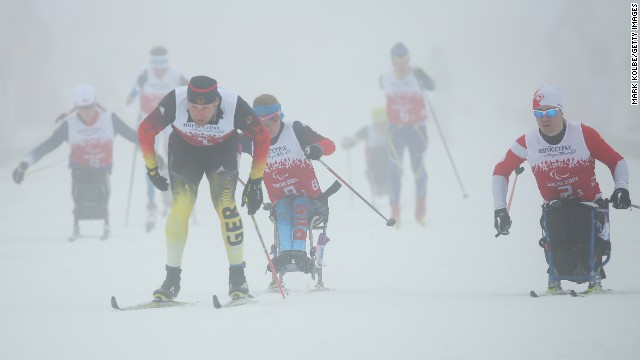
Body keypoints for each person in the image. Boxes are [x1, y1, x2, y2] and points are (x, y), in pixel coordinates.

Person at [138, 75, 269, 302]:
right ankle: (171, 280)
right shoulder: (175, 100)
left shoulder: (233, 104)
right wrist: (151, 168)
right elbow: (145, 131)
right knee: (181, 206)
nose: (199, 115)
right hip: (185, 151)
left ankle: (238, 278)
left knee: (226, 206)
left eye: (205, 108)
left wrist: (255, 181)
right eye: (193, 108)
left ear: (217, 102)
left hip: (222, 151)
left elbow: (262, 138)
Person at [492, 85, 631, 294]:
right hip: (555, 208)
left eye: (550, 112)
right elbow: (500, 171)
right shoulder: (527, 141)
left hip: (588, 205)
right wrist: (500, 209)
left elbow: (617, 161)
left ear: (561, 111)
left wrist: (622, 188)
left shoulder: (584, 134)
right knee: (557, 220)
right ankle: (554, 280)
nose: (544, 118)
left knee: (579, 219)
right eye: (538, 113)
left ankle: (594, 277)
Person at [12, 84, 138, 240]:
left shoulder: (110, 119)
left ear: (95, 104)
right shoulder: (69, 125)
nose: (87, 112)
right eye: (82, 108)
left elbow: (134, 137)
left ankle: (105, 218)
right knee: (80, 191)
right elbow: (46, 146)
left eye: (89, 107)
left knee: (101, 190)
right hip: (80, 170)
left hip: (102, 169)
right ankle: (77, 220)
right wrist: (24, 165)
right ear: (77, 107)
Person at [238, 94, 336, 286]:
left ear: (280, 116)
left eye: (272, 119)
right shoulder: (252, 140)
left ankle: (298, 253)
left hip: (314, 203)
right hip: (281, 205)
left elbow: (330, 145)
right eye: (261, 121)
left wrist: (318, 149)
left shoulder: (295, 130)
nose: (267, 126)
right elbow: (224, 144)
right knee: (283, 207)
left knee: (299, 203)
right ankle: (285, 256)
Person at [126, 45, 188, 230]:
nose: (159, 70)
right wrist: (131, 97)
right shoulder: (144, 73)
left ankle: (174, 195)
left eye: (162, 66)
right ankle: (152, 201)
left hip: (170, 120)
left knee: (173, 158)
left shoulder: (174, 73)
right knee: (151, 160)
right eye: (156, 66)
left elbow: (190, 89)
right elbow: (132, 94)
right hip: (149, 121)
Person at [379, 42, 435, 225]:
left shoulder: (416, 74)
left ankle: (420, 212)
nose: (401, 66)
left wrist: (423, 77)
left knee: (418, 169)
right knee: (394, 168)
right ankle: (395, 212)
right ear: (392, 62)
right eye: (397, 62)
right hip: (396, 129)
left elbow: (432, 86)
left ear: (408, 60)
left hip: (417, 129)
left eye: (404, 62)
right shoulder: (386, 78)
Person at [343, 107, 389, 200]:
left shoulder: (391, 130)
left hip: (388, 159)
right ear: (374, 123)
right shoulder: (368, 130)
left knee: (386, 156)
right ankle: (380, 186)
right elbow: (355, 139)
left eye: (383, 124)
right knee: (379, 153)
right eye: (378, 124)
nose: (381, 127)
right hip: (373, 160)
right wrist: (348, 143)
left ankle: (388, 185)